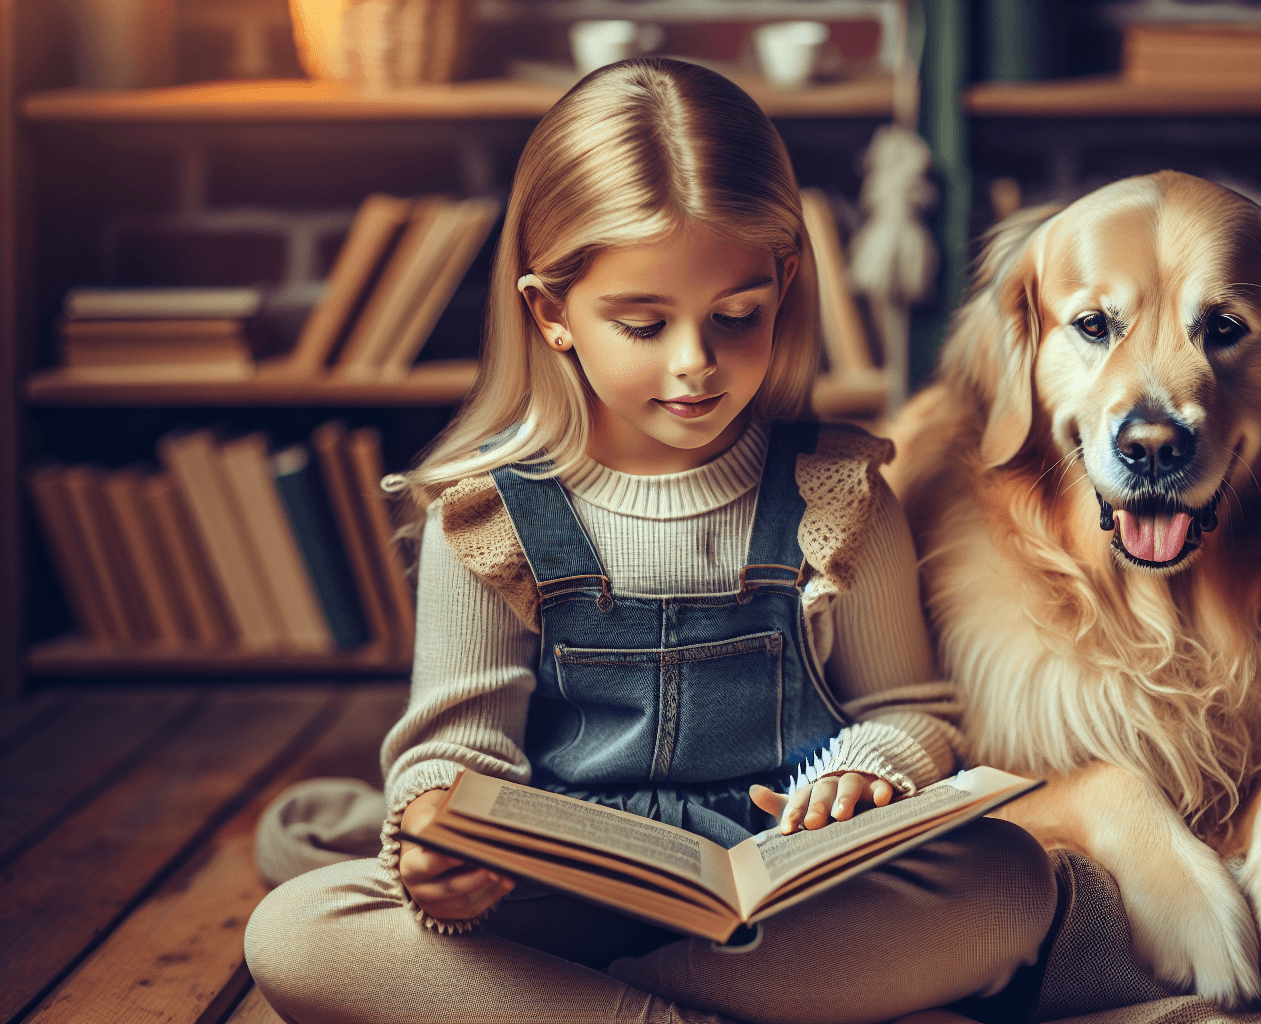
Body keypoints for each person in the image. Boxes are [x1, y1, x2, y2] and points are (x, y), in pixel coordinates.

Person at [244, 58, 1055, 1024]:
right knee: (298, 927)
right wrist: (435, 847)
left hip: (787, 905)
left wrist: (871, 765)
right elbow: (451, 757)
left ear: (783, 284)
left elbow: (915, 712)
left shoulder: (837, 495)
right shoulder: (485, 516)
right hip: (555, 896)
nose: (695, 365)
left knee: (1009, 884)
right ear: (551, 315)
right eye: (641, 323)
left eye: (735, 317)